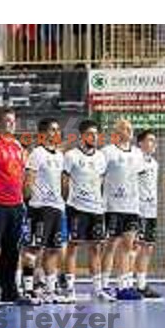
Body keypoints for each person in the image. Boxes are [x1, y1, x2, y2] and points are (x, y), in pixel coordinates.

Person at [62, 119, 113, 302]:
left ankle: (98, 289)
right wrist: (68, 201)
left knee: (96, 248)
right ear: (82, 136)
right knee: (73, 247)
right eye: (90, 134)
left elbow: (100, 181)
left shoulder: (101, 157)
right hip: (76, 208)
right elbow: (64, 181)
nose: (94, 137)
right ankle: (69, 289)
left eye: (96, 134)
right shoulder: (71, 156)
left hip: (96, 209)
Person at [20, 117, 66, 303]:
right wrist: (28, 202)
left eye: (57, 129)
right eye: (52, 130)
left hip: (56, 208)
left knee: (53, 250)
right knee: (33, 248)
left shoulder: (60, 155)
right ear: (43, 133)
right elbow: (28, 181)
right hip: (39, 208)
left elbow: (62, 181)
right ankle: (29, 290)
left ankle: (50, 289)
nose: (55, 133)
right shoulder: (37, 154)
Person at [100, 119, 146, 300]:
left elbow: (139, 178)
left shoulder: (137, 153)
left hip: (131, 207)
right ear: (117, 132)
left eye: (130, 128)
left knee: (128, 245)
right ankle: (103, 284)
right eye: (125, 128)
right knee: (111, 245)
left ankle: (124, 285)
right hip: (112, 207)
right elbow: (99, 177)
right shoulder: (107, 152)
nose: (129, 131)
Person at [0, 108, 27, 303]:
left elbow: (21, 175)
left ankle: (9, 290)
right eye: (5, 121)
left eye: (12, 121)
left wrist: (21, 200)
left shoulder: (19, 146)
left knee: (12, 249)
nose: (9, 124)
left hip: (16, 204)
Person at [135, 129, 160, 298]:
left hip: (151, 210)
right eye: (150, 140)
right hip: (138, 210)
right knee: (134, 247)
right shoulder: (135, 160)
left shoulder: (155, 163)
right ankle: (128, 282)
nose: (153, 143)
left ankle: (142, 284)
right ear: (140, 143)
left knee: (148, 247)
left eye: (154, 140)